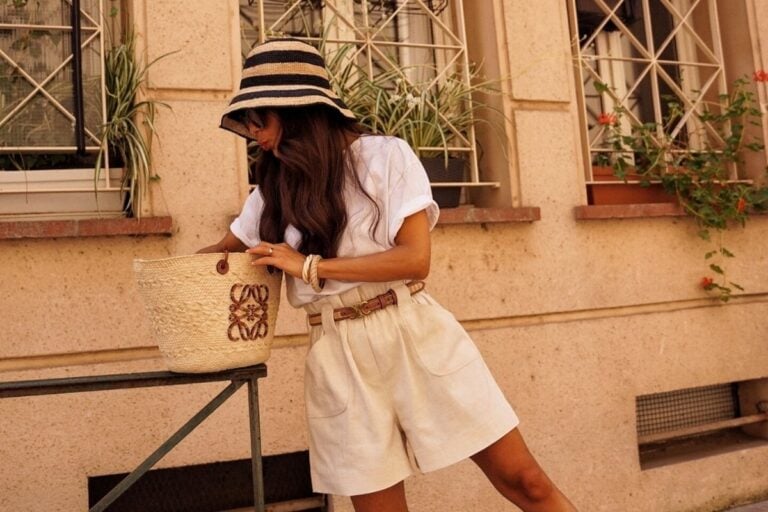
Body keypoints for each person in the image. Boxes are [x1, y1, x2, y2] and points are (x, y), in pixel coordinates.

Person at [200, 38, 577, 512]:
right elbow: (221, 254)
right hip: (337, 355)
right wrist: (172, 277)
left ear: (297, 112)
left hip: (412, 333)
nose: (255, 133)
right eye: (248, 121)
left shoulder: (384, 157)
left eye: (262, 119)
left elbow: (414, 259)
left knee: (526, 482)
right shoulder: (273, 188)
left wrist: (310, 267)